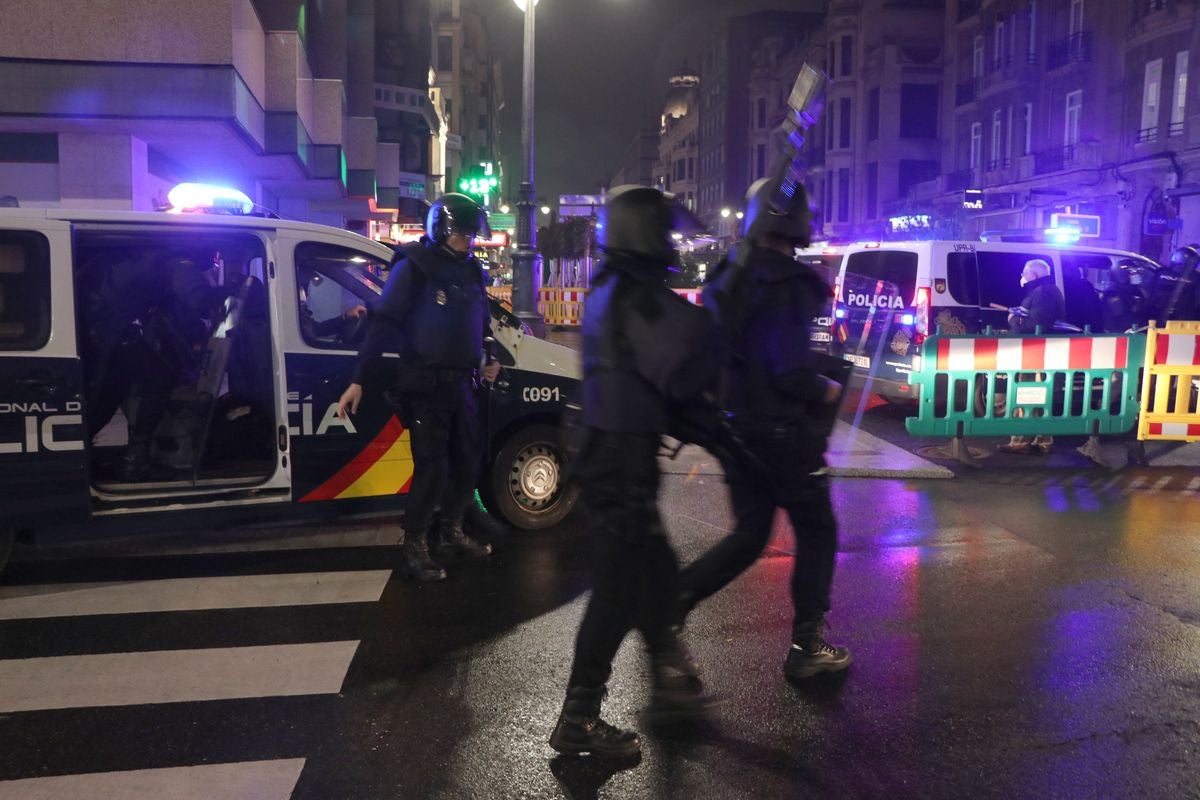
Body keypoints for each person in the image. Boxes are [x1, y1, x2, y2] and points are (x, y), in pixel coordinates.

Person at [549, 185, 717, 760]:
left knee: (658, 573)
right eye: (664, 232)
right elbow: (691, 357)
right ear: (644, 236)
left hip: (616, 459)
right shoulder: (637, 298)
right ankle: (579, 720)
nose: (670, 242)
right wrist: (730, 306)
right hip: (618, 465)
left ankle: (667, 675)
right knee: (618, 594)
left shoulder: (613, 290)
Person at [674, 177, 851, 683]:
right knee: (819, 529)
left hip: (736, 428)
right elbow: (787, 368)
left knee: (751, 534)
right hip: (782, 431)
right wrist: (824, 389)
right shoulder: (788, 284)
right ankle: (807, 646)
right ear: (797, 226)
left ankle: (673, 605)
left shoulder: (731, 277)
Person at [336, 193, 501, 582]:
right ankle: (415, 545)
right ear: (441, 229)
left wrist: (489, 357)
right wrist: (359, 378)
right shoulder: (414, 266)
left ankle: (452, 532)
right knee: (432, 469)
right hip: (425, 386)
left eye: (473, 234)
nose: (470, 241)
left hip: (464, 384)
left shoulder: (472, 271)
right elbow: (384, 322)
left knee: (467, 461)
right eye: (463, 233)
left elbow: (483, 325)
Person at [79, 249, 229, 480]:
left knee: (114, 389)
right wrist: (235, 289)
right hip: (110, 326)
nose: (213, 265)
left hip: (100, 326)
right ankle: (136, 457)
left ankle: (83, 453)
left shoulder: (149, 257)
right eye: (214, 258)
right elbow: (199, 298)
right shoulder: (181, 261)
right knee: (159, 378)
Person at [997, 258, 1065, 455]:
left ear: (1033, 275)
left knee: (1028, 395)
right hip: (1040, 353)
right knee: (1038, 397)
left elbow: (1036, 325)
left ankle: (1022, 440)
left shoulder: (1043, 293)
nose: (1022, 277)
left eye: (1024, 273)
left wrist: (1014, 320)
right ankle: (1040, 440)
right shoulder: (1044, 291)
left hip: (1037, 354)